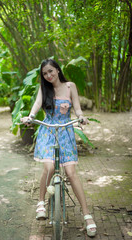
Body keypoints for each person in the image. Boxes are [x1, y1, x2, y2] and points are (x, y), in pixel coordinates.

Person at [21, 59, 97, 237]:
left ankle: (87, 215)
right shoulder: (43, 88)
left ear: (57, 69)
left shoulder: (70, 86)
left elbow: (77, 108)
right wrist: (30, 116)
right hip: (48, 131)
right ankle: (41, 202)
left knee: (71, 173)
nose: (48, 76)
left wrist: (81, 117)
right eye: (45, 73)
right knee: (49, 167)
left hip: (66, 132)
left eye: (50, 71)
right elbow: (36, 105)